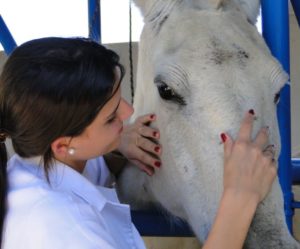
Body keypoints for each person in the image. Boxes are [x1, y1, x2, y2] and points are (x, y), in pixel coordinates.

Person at [0, 37, 276, 249]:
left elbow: (90, 168)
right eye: (111, 118)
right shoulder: (61, 231)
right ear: (63, 145)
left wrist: (116, 145)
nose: (129, 112)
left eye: (120, 99)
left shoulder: (43, 162)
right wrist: (240, 197)